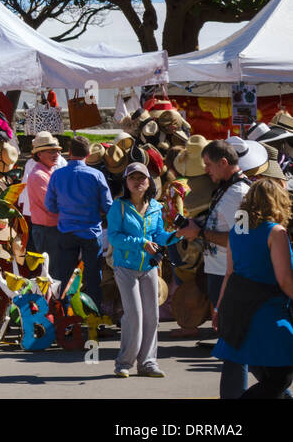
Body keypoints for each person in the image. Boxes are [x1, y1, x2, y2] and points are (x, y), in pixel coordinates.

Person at [177, 139, 252, 398]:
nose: (206, 170)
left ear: (223, 163)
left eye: (209, 165)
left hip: (229, 274)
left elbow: (238, 240)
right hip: (221, 271)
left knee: (233, 344)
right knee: (234, 342)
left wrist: (199, 232)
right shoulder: (227, 189)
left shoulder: (236, 194)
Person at [213, 178, 293, 398]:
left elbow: (229, 273)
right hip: (266, 313)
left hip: (237, 311)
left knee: (271, 381)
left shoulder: (237, 231)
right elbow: (285, 279)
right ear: (277, 201)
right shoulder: (276, 232)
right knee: (281, 378)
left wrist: (219, 308)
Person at [107, 161, 178, 379]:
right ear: (126, 182)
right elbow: (114, 237)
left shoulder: (156, 207)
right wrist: (141, 243)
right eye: (133, 178)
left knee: (152, 316)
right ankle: (123, 363)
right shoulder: (118, 206)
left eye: (142, 178)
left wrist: (178, 235)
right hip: (125, 267)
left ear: (149, 182)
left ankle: (148, 363)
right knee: (135, 315)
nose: (138, 182)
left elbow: (158, 236)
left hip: (148, 267)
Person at [44, 136, 112, 313]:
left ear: (70, 153)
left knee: (64, 276)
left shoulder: (57, 175)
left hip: (67, 231)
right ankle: (93, 316)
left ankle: (64, 316)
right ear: (88, 154)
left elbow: (50, 206)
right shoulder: (96, 175)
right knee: (93, 278)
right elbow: (107, 205)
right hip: (91, 232)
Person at [25, 132, 64, 258]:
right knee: (54, 271)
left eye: (57, 151)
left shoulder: (47, 172)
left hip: (50, 229)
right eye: (51, 152)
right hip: (47, 230)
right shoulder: (39, 175)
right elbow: (53, 203)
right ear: (39, 154)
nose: (56, 155)